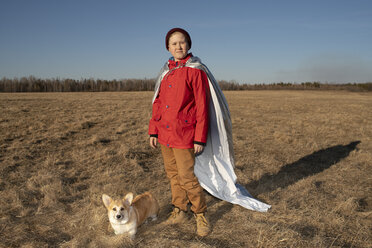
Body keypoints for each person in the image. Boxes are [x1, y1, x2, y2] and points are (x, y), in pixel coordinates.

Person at [148, 27, 210, 237]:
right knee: (173, 175)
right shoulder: (166, 71)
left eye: (182, 42)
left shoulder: (195, 70)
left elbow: (202, 106)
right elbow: (158, 103)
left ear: (188, 44)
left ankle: (200, 213)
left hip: (184, 135)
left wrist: (199, 137)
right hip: (165, 135)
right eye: (174, 43)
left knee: (186, 177)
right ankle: (179, 209)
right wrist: (153, 131)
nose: (178, 46)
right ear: (168, 47)